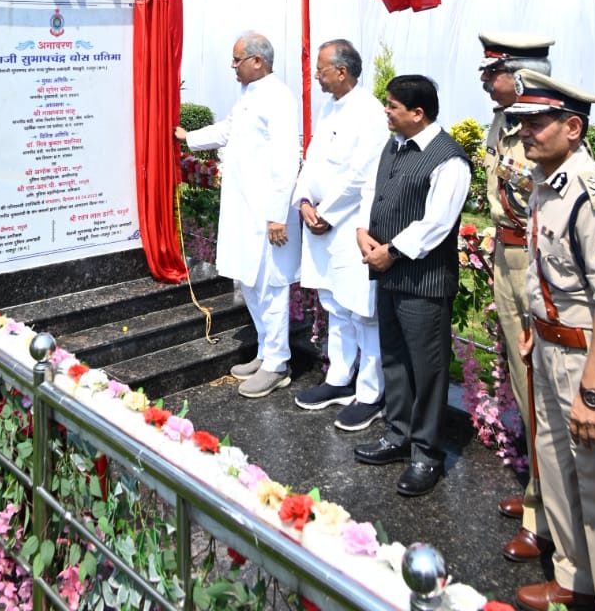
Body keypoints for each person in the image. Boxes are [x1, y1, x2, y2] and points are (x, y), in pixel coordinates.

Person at [503, 71, 595, 611]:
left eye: (537, 122)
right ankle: (575, 580)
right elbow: (546, 271)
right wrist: (532, 325)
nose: (525, 132)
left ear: (572, 127)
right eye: (521, 122)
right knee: (556, 466)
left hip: (583, 357)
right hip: (548, 348)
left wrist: (593, 391)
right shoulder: (546, 184)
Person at [354, 74, 470, 495]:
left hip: (423, 281)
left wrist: (392, 251)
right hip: (388, 273)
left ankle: (426, 453)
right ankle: (396, 435)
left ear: (417, 113)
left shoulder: (448, 159)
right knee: (395, 360)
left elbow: (437, 222)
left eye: (392, 106)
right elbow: (375, 189)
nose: (386, 111)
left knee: (428, 369)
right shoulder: (395, 144)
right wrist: (363, 232)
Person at [174, 33, 300, 398]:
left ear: (257, 61)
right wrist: (188, 136)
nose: (232, 66)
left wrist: (278, 215)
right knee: (250, 280)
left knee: (271, 284)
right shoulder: (249, 96)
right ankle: (265, 351)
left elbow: (287, 158)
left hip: (268, 213)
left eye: (237, 59)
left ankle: (278, 364)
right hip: (245, 208)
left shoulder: (278, 98)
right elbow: (229, 130)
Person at [478, 31, 555, 563]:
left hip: (537, 263)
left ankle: (547, 518)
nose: (486, 82)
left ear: (520, 74)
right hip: (507, 257)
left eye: (493, 72)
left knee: (541, 391)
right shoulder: (505, 123)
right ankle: (539, 497)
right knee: (524, 383)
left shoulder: (549, 132)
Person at [293, 39, 387, 431]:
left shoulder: (369, 113)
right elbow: (313, 161)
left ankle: (370, 393)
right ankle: (338, 380)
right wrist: (302, 201)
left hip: (350, 226)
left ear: (342, 71)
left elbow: (362, 174)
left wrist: (327, 213)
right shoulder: (330, 107)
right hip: (321, 225)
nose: (316, 75)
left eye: (321, 68)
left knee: (361, 311)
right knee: (333, 304)